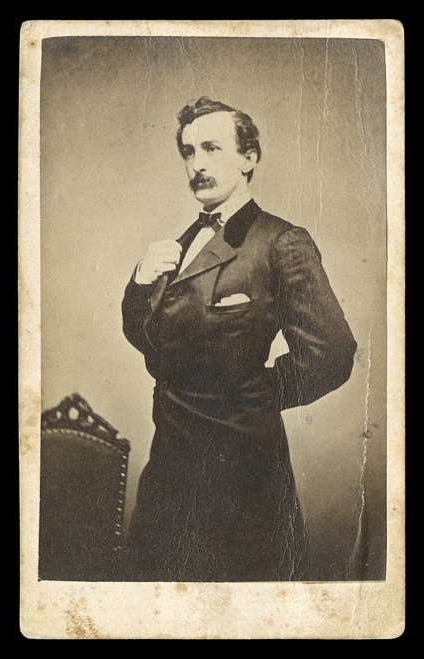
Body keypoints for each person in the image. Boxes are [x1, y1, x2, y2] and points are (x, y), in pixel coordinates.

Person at [122, 96, 357, 581]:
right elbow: (151, 340)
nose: (197, 164)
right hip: (167, 469)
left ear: (249, 158)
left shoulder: (280, 241)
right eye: (189, 152)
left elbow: (331, 353)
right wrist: (141, 281)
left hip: (241, 475)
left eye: (211, 148)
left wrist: (253, 395)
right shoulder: (180, 245)